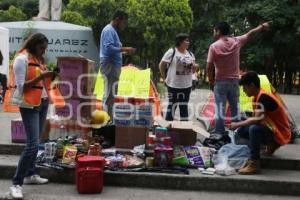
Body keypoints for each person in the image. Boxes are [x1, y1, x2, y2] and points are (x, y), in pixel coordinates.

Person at [9, 33, 57, 199]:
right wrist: (42, 76)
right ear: (34, 44)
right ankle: (16, 184)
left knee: (36, 141)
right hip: (29, 105)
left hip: (42, 103)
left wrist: (51, 76)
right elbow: (21, 87)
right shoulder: (21, 59)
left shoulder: (37, 60)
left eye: (45, 49)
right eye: (41, 48)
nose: (43, 52)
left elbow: (43, 84)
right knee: (32, 145)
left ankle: (30, 174)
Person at [206, 21, 271, 135]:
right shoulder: (236, 41)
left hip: (220, 82)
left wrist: (211, 82)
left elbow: (209, 66)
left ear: (219, 31)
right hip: (235, 82)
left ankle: (219, 134)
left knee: (219, 110)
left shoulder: (214, 46)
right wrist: (261, 26)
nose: (213, 33)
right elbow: (250, 34)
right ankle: (236, 132)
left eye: (214, 30)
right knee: (235, 108)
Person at [228, 71, 291, 174]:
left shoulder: (263, 97)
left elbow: (256, 120)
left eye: (245, 88)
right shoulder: (257, 97)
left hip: (280, 133)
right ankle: (269, 145)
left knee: (253, 129)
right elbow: (255, 119)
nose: (244, 91)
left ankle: (254, 163)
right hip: (272, 129)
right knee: (242, 131)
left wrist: (236, 124)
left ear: (252, 85)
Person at [99, 10, 136, 118]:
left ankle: (109, 119)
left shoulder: (112, 31)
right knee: (109, 94)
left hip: (113, 65)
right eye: (123, 22)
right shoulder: (109, 30)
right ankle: (105, 121)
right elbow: (109, 48)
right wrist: (125, 48)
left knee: (111, 95)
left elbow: (112, 49)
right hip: (109, 65)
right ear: (117, 19)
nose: (124, 25)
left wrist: (123, 52)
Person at [159, 33, 199, 121]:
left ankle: (183, 130)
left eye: (188, 41)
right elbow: (161, 65)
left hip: (187, 85)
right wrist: (164, 77)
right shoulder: (172, 51)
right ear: (180, 41)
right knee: (172, 106)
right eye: (186, 40)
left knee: (184, 107)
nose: (188, 42)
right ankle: (168, 129)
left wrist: (195, 67)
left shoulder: (190, 54)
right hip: (173, 85)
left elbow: (192, 71)